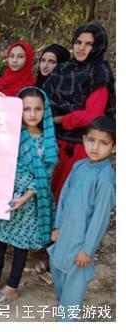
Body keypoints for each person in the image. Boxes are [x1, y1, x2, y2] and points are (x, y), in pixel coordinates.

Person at [0, 87, 58, 303]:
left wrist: (26, 196)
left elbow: (46, 173)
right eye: (26, 108)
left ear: (44, 111)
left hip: (29, 202)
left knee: (20, 244)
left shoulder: (48, 141)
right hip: (5, 196)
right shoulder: (10, 134)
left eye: (38, 109)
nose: (32, 114)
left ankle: (12, 285)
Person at [48, 116, 115, 321]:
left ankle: (67, 321)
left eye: (103, 143)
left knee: (74, 285)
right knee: (58, 270)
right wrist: (57, 225)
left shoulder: (105, 179)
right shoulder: (79, 166)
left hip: (81, 243)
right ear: (84, 139)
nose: (95, 147)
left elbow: (100, 218)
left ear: (114, 148)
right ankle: (64, 312)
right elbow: (64, 197)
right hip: (64, 234)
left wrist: (87, 249)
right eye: (91, 140)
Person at [43, 22, 115, 202]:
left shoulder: (100, 72)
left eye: (89, 44)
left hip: (78, 146)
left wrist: (58, 119)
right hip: (51, 140)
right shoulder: (63, 69)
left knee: (64, 198)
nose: (81, 48)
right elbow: (44, 100)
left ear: (98, 47)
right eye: (78, 42)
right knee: (42, 195)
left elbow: (91, 115)